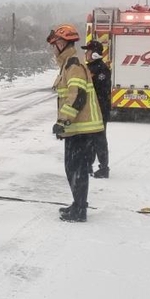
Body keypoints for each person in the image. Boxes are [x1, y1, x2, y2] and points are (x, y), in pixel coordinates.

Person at [47, 24, 105, 222]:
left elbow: (77, 95)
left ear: (62, 43)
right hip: (76, 127)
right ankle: (77, 204)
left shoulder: (73, 65)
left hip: (81, 128)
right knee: (73, 168)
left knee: (77, 169)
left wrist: (63, 120)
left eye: (55, 44)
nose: (53, 48)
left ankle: (80, 210)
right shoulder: (69, 64)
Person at [85, 39, 112, 178]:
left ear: (95, 53)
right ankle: (88, 165)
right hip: (93, 109)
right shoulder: (91, 68)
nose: (86, 53)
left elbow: (100, 91)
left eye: (88, 51)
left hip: (99, 109)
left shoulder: (100, 69)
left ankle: (103, 168)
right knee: (90, 139)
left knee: (99, 139)